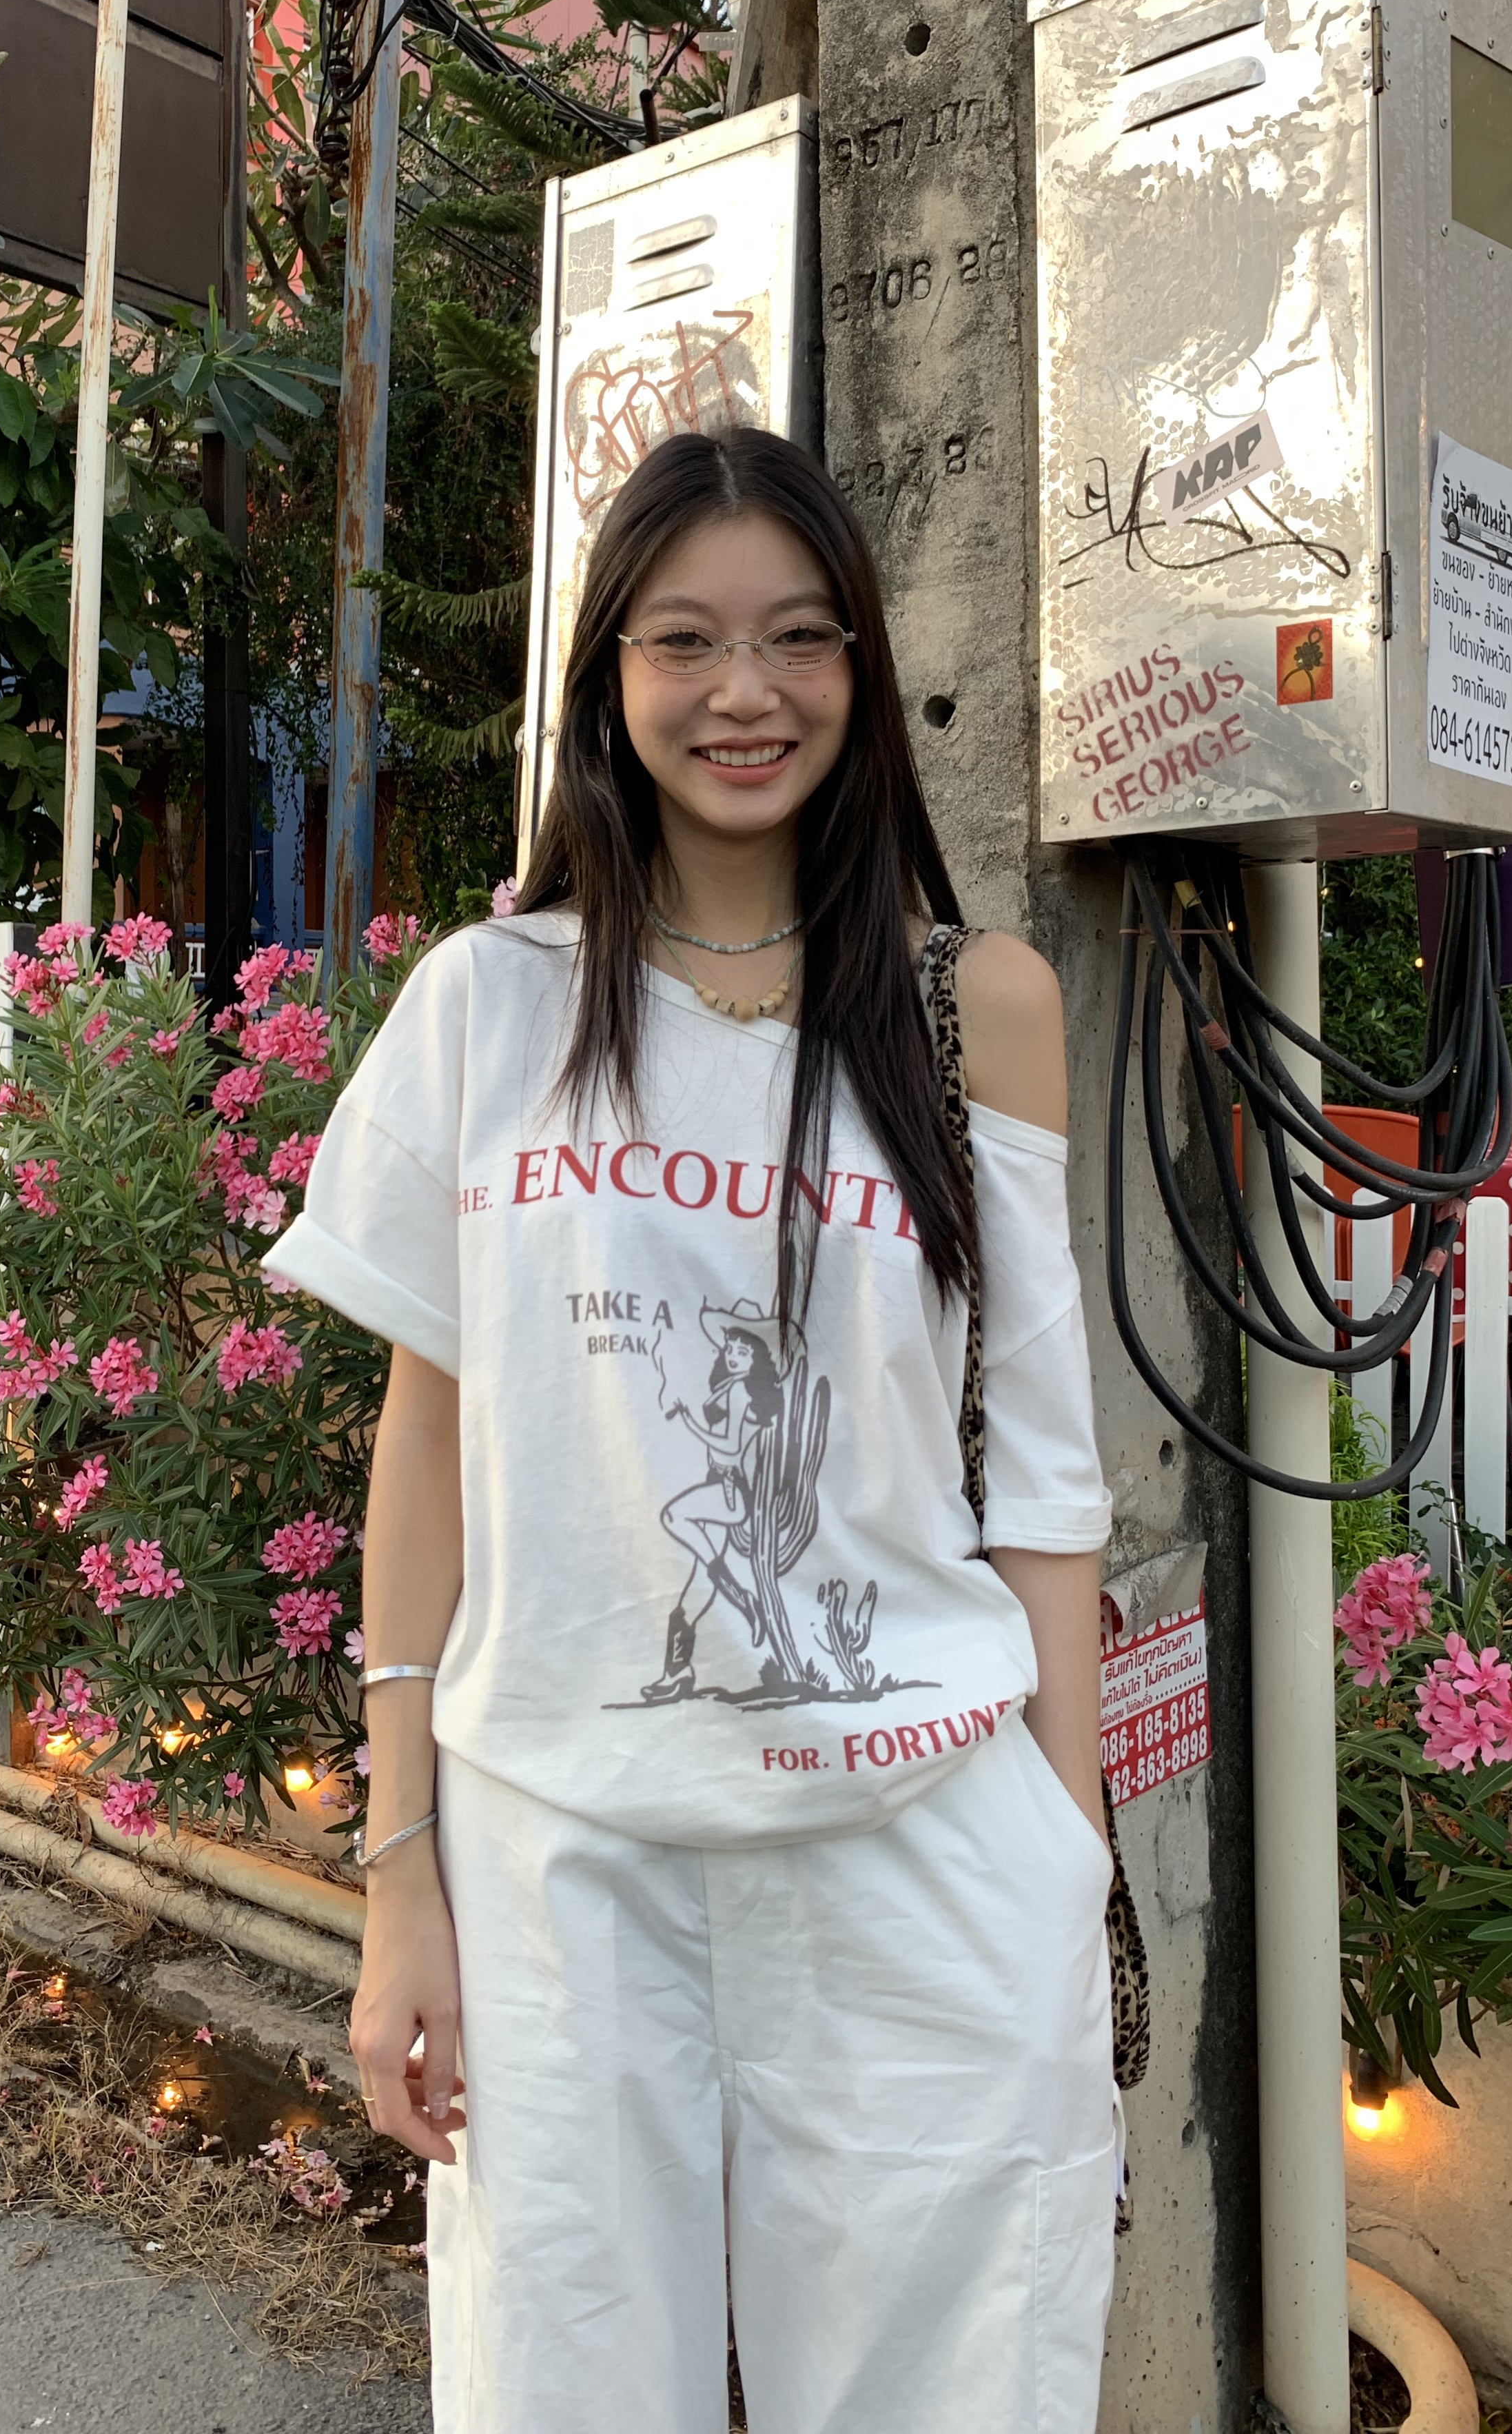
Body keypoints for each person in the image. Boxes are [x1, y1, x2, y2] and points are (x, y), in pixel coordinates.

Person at [263, 426, 1118, 2433]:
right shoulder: (491, 1004)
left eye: (801, 638)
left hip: (920, 1843)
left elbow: (1046, 1483)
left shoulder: (977, 1006)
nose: (748, 692)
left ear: (861, 669)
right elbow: (427, 1454)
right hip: (565, 1860)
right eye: (687, 641)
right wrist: (400, 1880)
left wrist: (1063, 1877)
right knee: (563, 2390)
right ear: (611, 677)